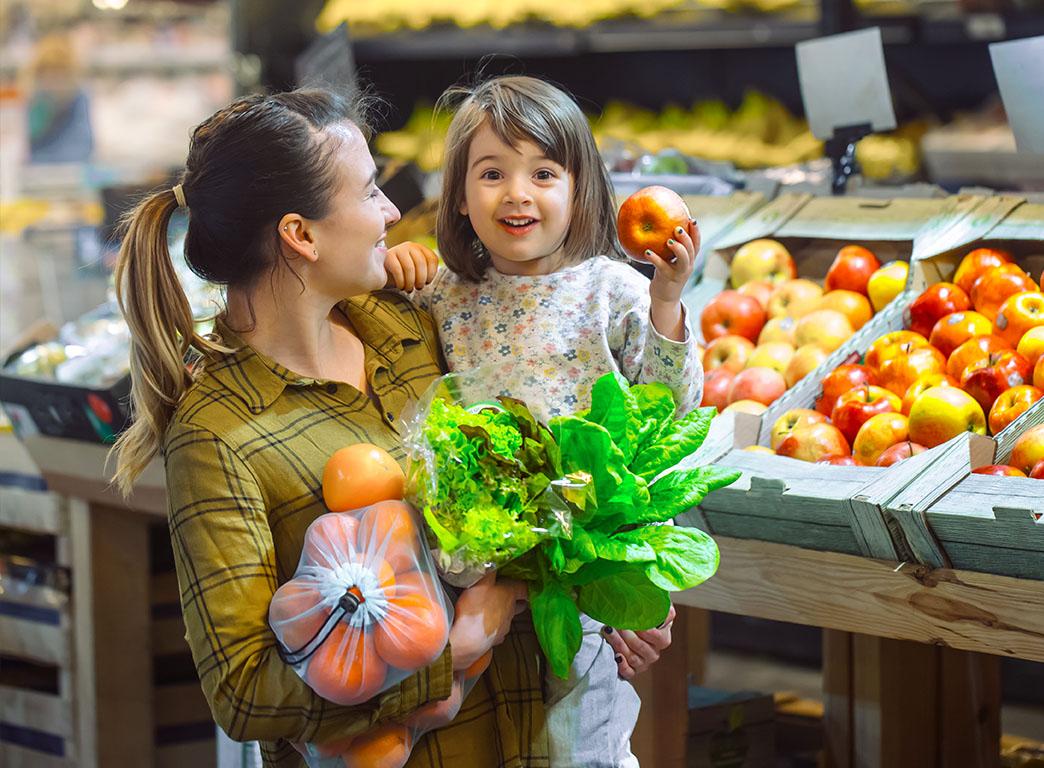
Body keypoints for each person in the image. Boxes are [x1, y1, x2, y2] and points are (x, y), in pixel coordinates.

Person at [110, 88, 544, 768]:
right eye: (371, 192)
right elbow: (245, 693)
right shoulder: (219, 435)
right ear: (301, 235)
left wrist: (601, 611)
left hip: (525, 739)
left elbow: (513, 493)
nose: (393, 213)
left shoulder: (406, 326)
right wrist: (443, 657)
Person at [385, 75, 698, 768]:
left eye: (543, 172)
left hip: (581, 561)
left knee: (580, 737)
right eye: (491, 173)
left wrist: (669, 300)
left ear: (581, 190)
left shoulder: (614, 289)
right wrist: (396, 265)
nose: (517, 193)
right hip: (479, 573)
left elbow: (669, 408)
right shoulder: (446, 292)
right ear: (460, 199)